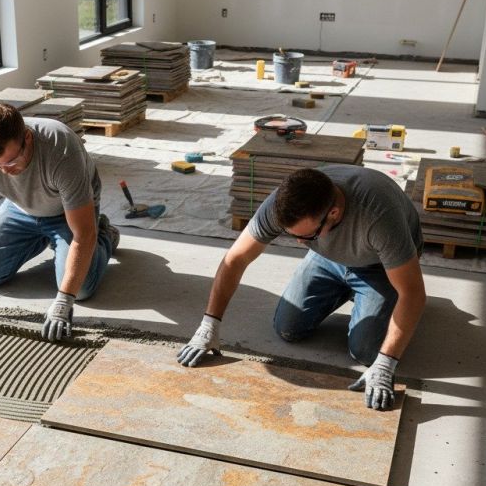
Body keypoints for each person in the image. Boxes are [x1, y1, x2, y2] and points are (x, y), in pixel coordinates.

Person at [177, 166, 426, 411]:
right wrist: (210, 324)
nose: (298, 241)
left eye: (306, 237)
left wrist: (385, 364)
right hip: (329, 258)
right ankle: (351, 290)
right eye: (292, 235)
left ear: (334, 213)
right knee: (288, 328)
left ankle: (376, 299)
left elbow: (413, 293)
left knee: (366, 351)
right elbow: (235, 260)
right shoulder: (285, 203)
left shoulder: (378, 215)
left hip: (380, 266)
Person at [0, 103, 119, 341]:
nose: (5, 171)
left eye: (12, 161)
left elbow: (83, 234)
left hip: (68, 211)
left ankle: (104, 233)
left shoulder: (60, 148)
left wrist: (64, 301)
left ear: (27, 137)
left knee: (82, 289)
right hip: (20, 207)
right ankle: (43, 237)